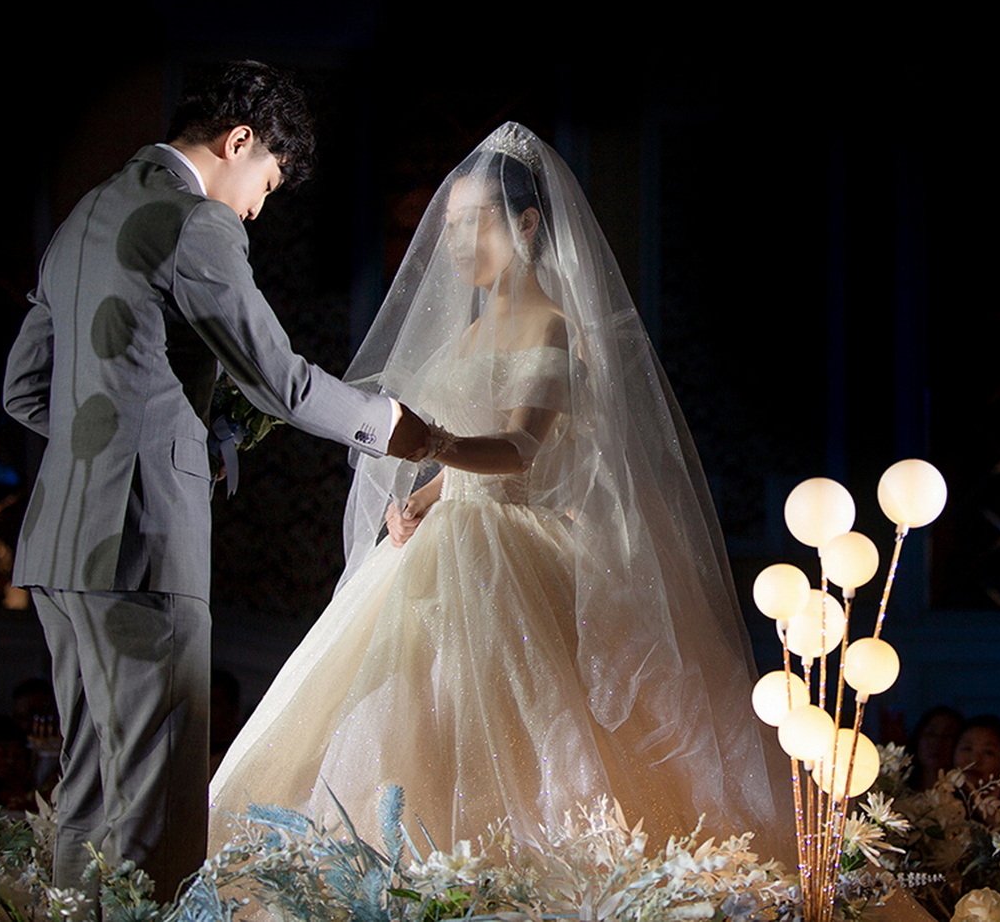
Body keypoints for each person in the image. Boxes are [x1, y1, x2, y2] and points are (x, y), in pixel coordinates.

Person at [209, 123, 788, 860]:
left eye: (471, 223)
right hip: (442, 536)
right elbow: (461, 454)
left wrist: (432, 446)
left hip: (508, 544)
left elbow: (518, 450)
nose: (453, 242)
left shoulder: (552, 326)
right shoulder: (472, 332)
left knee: (522, 722)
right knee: (399, 706)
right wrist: (419, 497)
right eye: (448, 225)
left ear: (528, 224)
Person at [2, 61, 440, 901]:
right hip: (139, 540)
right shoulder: (195, 221)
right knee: (158, 800)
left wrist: (131, 431)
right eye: (266, 183)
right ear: (239, 141)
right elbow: (279, 380)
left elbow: (25, 390)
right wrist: (393, 424)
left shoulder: (85, 215)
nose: (256, 209)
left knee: (90, 790)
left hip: (57, 544)